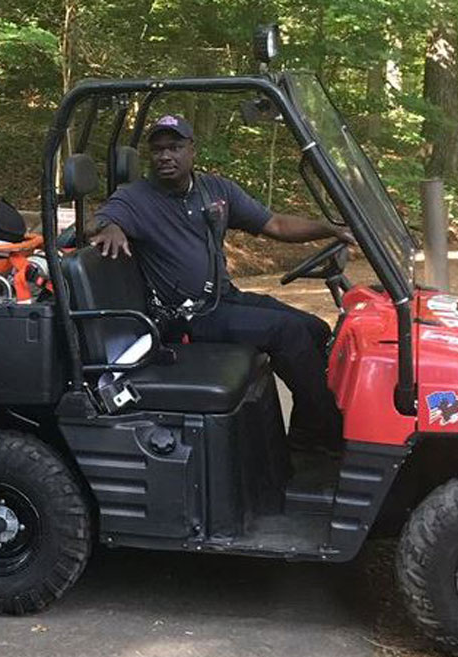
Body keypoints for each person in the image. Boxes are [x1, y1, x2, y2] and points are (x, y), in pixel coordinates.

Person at [90, 114, 353, 453]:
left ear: (192, 150)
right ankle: (332, 436)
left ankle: (308, 435)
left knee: (315, 328)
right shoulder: (135, 197)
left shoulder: (216, 190)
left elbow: (275, 224)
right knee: (288, 333)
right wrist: (108, 226)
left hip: (223, 298)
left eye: (175, 147)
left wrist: (329, 229)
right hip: (188, 316)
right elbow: (96, 222)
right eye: (157, 150)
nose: (165, 156)